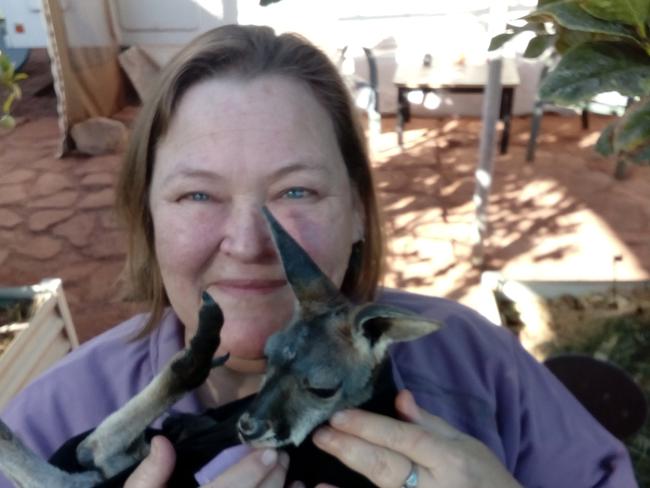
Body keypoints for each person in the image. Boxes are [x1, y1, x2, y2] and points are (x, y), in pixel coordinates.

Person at [0, 24, 637, 488]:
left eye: (296, 190)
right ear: (148, 217)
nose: (248, 246)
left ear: (359, 209)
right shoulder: (48, 420)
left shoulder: (474, 365)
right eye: (197, 194)